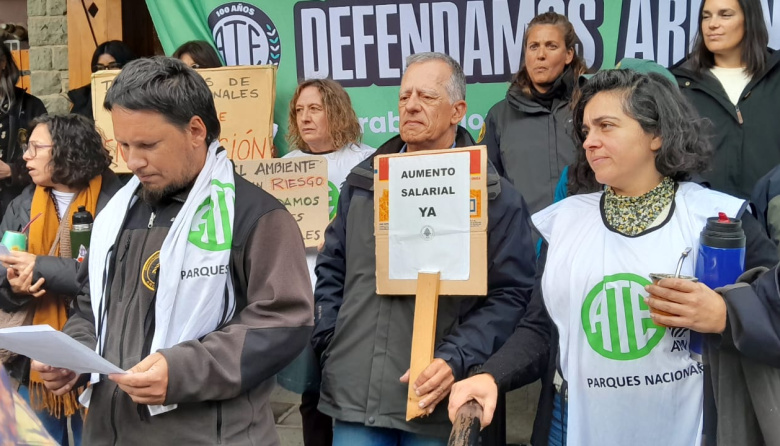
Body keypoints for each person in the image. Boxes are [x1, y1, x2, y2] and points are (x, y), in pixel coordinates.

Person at [448, 70, 777, 446]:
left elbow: (772, 307)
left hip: (693, 425)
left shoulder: (718, 218)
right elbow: (541, 328)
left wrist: (724, 314)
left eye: (606, 126)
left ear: (657, 135)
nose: (590, 142)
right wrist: (492, 376)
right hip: (570, 424)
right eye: (587, 131)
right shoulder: (568, 221)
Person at [31, 57, 313, 444]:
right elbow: (89, 307)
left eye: (147, 145)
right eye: (124, 144)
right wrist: (74, 357)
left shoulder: (256, 215)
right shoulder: (116, 213)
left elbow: (284, 321)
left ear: (196, 130)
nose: (132, 161)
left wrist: (182, 370)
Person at [313, 51, 539, 445]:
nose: (411, 106)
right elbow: (333, 268)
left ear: (458, 110)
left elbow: (512, 295)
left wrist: (457, 357)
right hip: (356, 400)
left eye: (427, 97)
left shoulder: (495, 197)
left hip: (441, 402)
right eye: (404, 97)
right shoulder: (363, 183)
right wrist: (331, 340)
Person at [0, 113, 121, 445]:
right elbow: (2, 270)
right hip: (34, 361)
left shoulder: (118, 203)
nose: (25, 156)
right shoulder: (23, 204)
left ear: (68, 150)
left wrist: (39, 266)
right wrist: (14, 286)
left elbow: (107, 277)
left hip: (98, 351)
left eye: (36, 147)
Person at [278, 78, 374, 446]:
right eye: (299, 110)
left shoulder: (367, 160)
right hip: (303, 296)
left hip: (353, 295)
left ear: (336, 111)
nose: (305, 118)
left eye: (315, 108)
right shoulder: (285, 167)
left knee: (354, 388)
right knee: (311, 394)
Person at [481, 11, 587, 215]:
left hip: (583, 239)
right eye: (534, 46)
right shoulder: (500, 116)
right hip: (524, 242)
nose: (540, 55)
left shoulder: (589, 108)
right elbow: (485, 190)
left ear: (568, 55)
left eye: (551, 46)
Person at [673, 0, 780, 199]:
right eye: (706, 16)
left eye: (725, 15)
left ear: (749, 20)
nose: (712, 24)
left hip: (772, 219)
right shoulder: (677, 84)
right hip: (703, 220)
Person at [0, 43, 46, 218]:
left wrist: (11, 170)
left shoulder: (30, 106)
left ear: (3, 62)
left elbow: (48, 157)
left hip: (17, 204)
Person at [67, 40, 136, 120]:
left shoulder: (138, 96)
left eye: (113, 66)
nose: (105, 72)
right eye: (100, 68)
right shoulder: (83, 99)